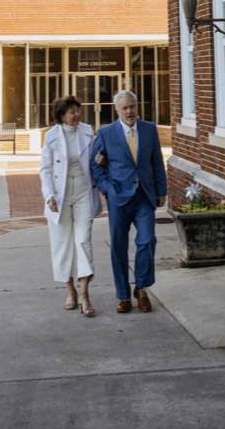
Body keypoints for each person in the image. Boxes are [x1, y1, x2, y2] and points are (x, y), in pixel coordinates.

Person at [90, 88, 167, 314]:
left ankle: (141, 289)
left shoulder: (150, 129)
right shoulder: (106, 133)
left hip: (144, 195)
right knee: (118, 247)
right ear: (117, 110)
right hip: (118, 199)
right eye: (124, 108)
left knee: (147, 241)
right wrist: (107, 190)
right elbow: (95, 166)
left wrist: (161, 190)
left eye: (132, 106)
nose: (129, 111)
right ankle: (123, 295)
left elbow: (157, 163)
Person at [39, 95, 101, 316]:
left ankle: (84, 293)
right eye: (71, 111)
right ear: (61, 115)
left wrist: (100, 160)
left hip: (84, 191)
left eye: (77, 110)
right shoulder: (52, 136)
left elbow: (96, 158)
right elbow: (45, 169)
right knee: (62, 244)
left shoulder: (88, 131)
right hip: (60, 194)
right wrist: (49, 196)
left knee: (83, 240)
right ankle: (70, 290)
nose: (76, 115)